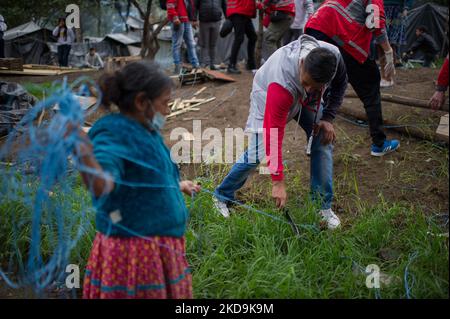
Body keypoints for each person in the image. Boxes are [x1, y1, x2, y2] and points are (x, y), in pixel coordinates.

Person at [77, 61, 200, 299]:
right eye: (165, 103)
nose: (168, 111)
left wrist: (177, 186)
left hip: (158, 248)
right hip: (136, 254)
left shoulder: (145, 131)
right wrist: (81, 151)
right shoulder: (113, 134)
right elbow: (102, 185)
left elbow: (145, 177)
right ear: (142, 102)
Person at [213, 35, 348, 230]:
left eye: (315, 86)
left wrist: (327, 118)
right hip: (268, 94)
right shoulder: (281, 83)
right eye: (306, 82)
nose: (309, 88)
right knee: (257, 153)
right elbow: (273, 135)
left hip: (303, 101)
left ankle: (322, 206)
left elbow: (340, 85)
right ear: (302, 63)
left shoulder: (333, 57)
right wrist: (277, 182)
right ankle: (221, 195)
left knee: (323, 138)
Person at [305, 0, 401, 157]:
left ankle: (313, 142)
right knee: (369, 82)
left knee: (322, 85)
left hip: (316, 28)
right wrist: (388, 51)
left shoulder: (289, 70)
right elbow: (375, 20)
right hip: (340, 33)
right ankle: (379, 143)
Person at [379, 0, 414, 87]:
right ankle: (383, 76)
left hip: (396, 10)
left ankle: (388, 78)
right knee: (379, 42)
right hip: (379, 7)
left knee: (391, 43)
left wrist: (406, 7)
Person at [167, 0, 201, 74]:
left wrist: (194, 20)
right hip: (178, 21)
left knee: (191, 43)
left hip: (186, 20)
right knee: (177, 44)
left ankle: (195, 65)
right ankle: (177, 67)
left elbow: (191, 7)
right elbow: (170, 4)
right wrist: (175, 17)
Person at [226, 0, 257, 74]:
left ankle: (250, 64)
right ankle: (231, 65)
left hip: (244, 12)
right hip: (239, 12)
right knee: (239, 39)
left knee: (253, 37)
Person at [195, 0, 227, 70]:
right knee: (204, 44)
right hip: (204, 21)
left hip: (216, 21)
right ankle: (204, 63)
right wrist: (194, 19)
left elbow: (224, 6)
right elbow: (195, 6)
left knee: (213, 44)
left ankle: (212, 64)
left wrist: (228, 18)